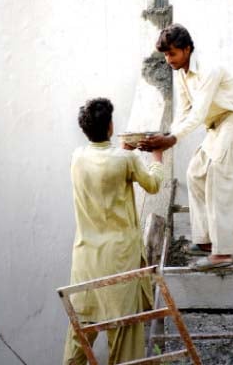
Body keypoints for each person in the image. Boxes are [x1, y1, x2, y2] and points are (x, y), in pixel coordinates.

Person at [138, 24, 233, 271]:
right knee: (195, 173)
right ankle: (206, 241)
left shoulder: (209, 70)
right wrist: (166, 136)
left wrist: (171, 140)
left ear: (187, 49)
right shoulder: (181, 73)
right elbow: (183, 112)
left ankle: (223, 252)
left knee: (218, 180)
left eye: (172, 53)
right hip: (216, 127)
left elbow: (197, 114)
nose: (168, 60)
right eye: (165, 55)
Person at [63, 97, 164, 365]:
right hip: (119, 258)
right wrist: (157, 156)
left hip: (86, 258)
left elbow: (103, 165)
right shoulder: (126, 159)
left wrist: (121, 149)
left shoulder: (77, 157)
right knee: (123, 330)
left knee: (81, 331)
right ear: (110, 125)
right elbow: (153, 184)